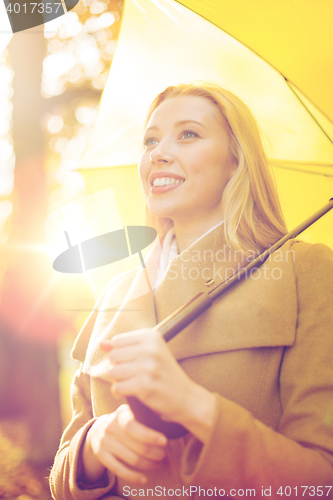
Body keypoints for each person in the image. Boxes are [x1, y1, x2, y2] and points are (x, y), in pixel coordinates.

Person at [49, 83, 333, 499]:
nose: (158, 153)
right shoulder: (113, 292)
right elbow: (62, 477)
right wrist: (94, 444)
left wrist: (196, 408)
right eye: (150, 140)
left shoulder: (303, 271)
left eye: (188, 134)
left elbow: (320, 481)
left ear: (236, 161)